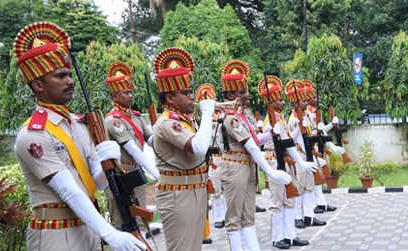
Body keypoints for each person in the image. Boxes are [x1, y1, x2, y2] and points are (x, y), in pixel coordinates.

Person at [12, 21, 147, 251]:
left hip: (88, 228)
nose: (70, 81)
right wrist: (111, 233)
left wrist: (109, 162)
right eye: (60, 76)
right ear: (38, 84)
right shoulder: (33, 134)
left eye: (70, 75)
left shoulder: (80, 124)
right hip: (56, 233)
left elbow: (92, 182)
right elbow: (68, 190)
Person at [217, 60, 292, 251]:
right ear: (230, 95)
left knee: (248, 214)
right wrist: (270, 172)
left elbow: (255, 140)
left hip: (249, 167)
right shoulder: (229, 116)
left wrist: (268, 134)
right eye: (241, 92)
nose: (246, 94)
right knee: (234, 217)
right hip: (234, 168)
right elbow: (249, 145)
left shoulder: (244, 114)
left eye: (245, 90)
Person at [151, 47, 217, 251]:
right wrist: (207, 114)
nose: (192, 97)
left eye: (191, 91)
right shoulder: (167, 122)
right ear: (170, 98)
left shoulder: (184, 120)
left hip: (195, 189)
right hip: (178, 194)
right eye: (186, 93)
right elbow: (198, 147)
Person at [102, 62, 159, 239]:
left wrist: (161, 129)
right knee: (122, 222)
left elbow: (151, 141)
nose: (130, 96)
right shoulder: (113, 120)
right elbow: (133, 150)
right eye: (126, 93)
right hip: (120, 175)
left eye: (131, 92)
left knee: (141, 218)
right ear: (114, 95)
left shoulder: (135, 116)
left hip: (136, 173)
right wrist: (157, 174)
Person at [259, 76, 317, 249]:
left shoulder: (280, 117)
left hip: (286, 161)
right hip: (275, 162)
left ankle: (290, 235)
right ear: (270, 102)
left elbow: (289, 140)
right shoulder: (270, 119)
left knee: (290, 199)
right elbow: (288, 142)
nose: (284, 102)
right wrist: (301, 161)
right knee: (276, 201)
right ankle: (277, 238)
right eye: (280, 100)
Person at [284, 80, 326, 229]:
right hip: (301, 156)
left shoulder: (304, 117)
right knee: (300, 187)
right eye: (303, 100)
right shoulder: (294, 119)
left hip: (308, 154)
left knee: (310, 186)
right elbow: (299, 141)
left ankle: (309, 216)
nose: (306, 102)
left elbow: (308, 135)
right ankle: (297, 217)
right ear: (295, 104)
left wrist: (321, 129)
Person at [300, 80, 345, 214]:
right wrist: (332, 146)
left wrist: (331, 124)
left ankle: (320, 202)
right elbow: (312, 132)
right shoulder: (308, 113)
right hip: (312, 147)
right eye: (313, 97)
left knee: (318, 177)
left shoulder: (313, 113)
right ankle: (314, 204)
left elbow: (322, 130)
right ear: (307, 100)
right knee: (314, 178)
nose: (316, 99)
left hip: (318, 147)